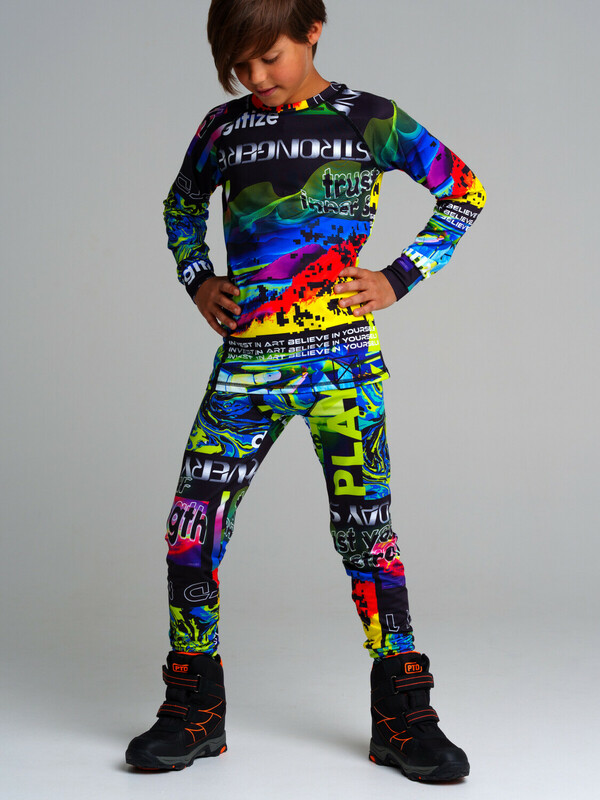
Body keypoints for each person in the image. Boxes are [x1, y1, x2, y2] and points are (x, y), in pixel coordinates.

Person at [125, 0, 486, 781]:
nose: (255, 77)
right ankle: (193, 708)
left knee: (368, 534)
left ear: (313, 31)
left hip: (343, 370)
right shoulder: (223, 128)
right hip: (246, 371)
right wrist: (198, 278)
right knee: (191, 530)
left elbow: (464, 190)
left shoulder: (369, 117)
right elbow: (181, 205)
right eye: (239, 66)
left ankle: (403, 714)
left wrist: (399, 277)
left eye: (270, 58)